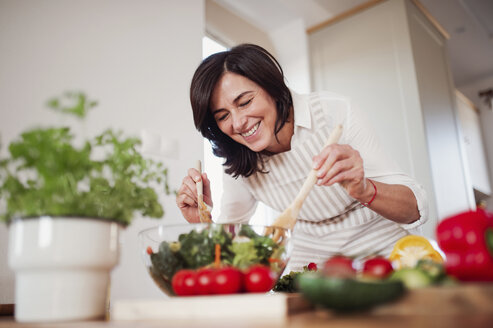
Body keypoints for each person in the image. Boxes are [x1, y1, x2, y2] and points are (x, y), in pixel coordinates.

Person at [176, 43, 428, 271]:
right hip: (311, 262)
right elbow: (228, 242)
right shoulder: (238, 161)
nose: (239, 123)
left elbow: (415, 209)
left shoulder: (334, 113)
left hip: (383, 250)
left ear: (271, 87)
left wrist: (363, 189)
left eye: (245, 102)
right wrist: (203, 222)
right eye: (222, 116)